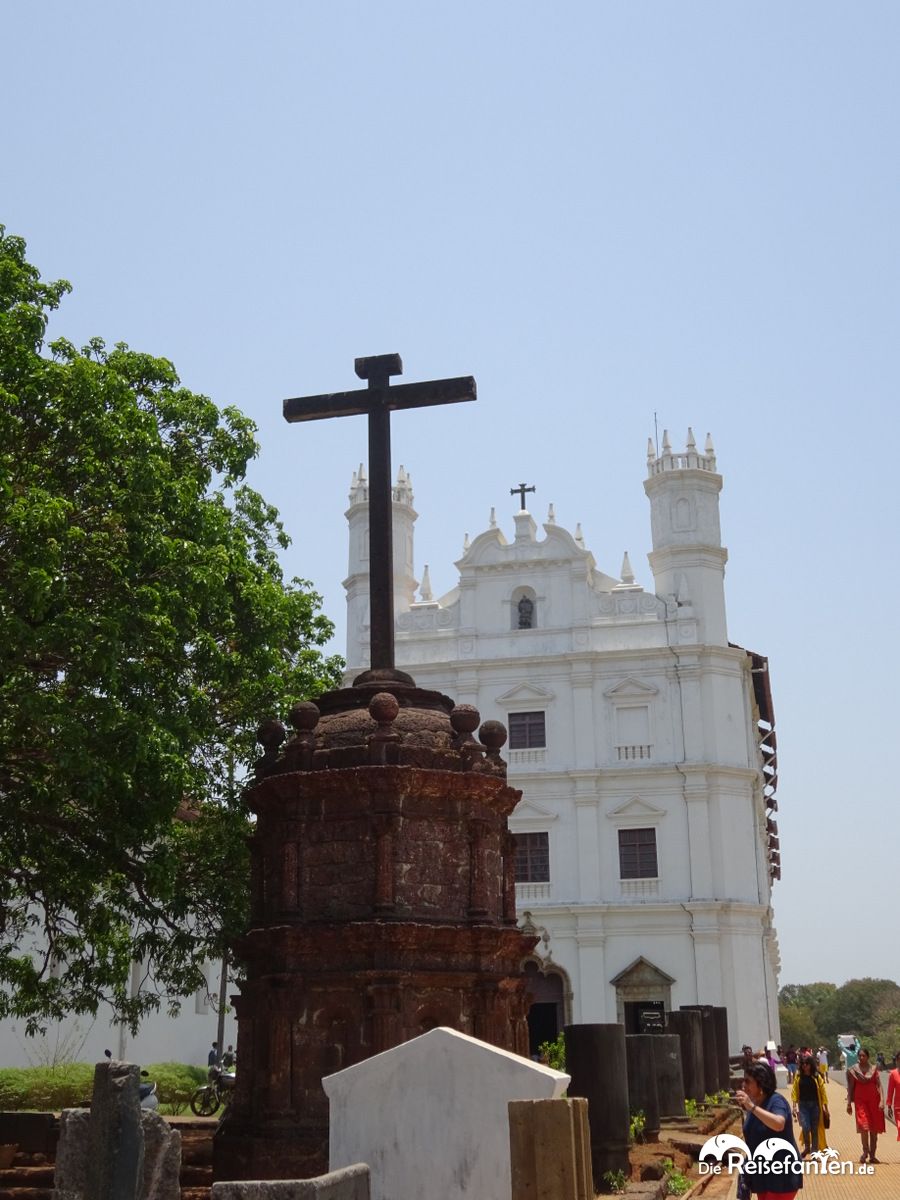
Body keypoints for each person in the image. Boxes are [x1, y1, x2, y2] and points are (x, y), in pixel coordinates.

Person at [735, 1060, 803, 1197]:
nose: (744, 1085)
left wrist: (751, 1107)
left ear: (761, 1083)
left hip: (781, 1174)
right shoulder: (755, 1104)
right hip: (762, 1174)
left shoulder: (776, 1101)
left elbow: (779, 1124)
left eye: (748, 1081)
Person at [846, 1046, 885, 1164]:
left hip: (874, 1102)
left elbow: (879, 1085)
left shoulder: (873, 1069)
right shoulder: (854, 1070)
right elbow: (850, 1087)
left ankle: (873, 1155)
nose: (861, 1057)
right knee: (864, 1127)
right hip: (860, 1102)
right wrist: (849, 1103)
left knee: (874, 1129)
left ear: (868, 1057)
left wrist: (882, 1100)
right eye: (860, 1056)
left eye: (863, 1055)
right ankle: (865, 1151)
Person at [791, 1054, 828, 1156]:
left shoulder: (816, 1076)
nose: (805, 1066)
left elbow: (823, 1092)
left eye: (807, 1064)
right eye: (803, 1064)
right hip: (803, 1106)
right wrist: (794, 1106)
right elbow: (794, 1091)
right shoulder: (798, 1076)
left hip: (815, 1105)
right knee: (805, 1127)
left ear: (811, 1064)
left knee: (814, 1129)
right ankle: (807, 1147)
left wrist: (825, 1108)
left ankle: (814, 1150)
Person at [885, 1051, 900, 1141]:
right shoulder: (893, 1074)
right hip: (898, 1108)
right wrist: (889, 1105)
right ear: (897, 1061)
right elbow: (890, 1091)